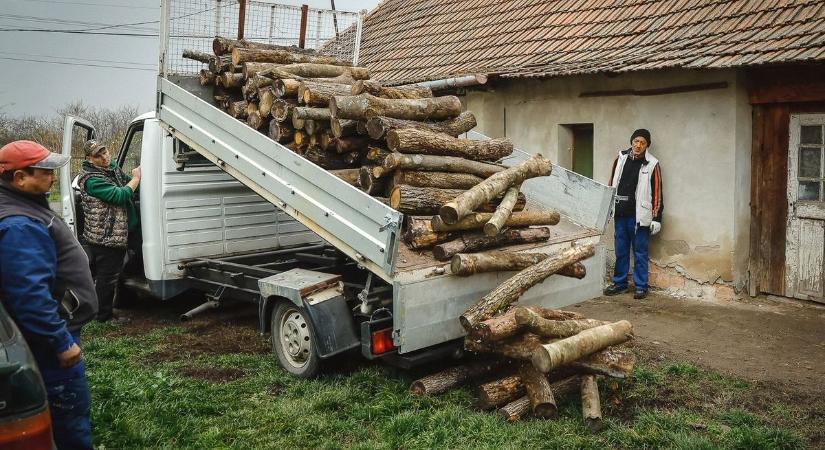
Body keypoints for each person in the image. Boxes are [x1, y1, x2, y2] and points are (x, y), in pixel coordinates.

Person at [0, 140, 98, 449]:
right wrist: (60, 341)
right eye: (45, 171)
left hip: (52, 334)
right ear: (20, 178)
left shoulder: (24, 206)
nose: (53, 177)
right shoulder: (19, 224)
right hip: (50, 343)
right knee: (68, 413)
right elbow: (28, 293)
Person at [77, 139, 140, 323]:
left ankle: (121, 303)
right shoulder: (91, 179)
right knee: (107, 278)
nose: (104, 157)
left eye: (105, 152)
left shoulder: (111, 168)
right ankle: (103, 317)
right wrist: (137, 178)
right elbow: (118, 195)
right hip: (106, 237)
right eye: (98, 155)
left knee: (116, 272)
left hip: (119, 232)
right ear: (89, 159)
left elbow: (127, 184)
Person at [603, 129, 663, 300]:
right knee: (621, 251)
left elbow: (658, 192)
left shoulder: (652, 164)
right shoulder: (620, 158)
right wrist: (607, 208)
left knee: (640, 252)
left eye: (642, 142)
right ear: (631, 142)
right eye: (636, 141)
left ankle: (641, 286)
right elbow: (611, 184)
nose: (638, 145)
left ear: (647, 145)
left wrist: (656, 218)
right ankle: (620, 283)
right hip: (620, 214)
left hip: (639, 217)